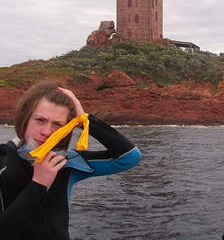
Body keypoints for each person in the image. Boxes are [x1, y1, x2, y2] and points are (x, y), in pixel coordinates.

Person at [0, 82, 142, 240]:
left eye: (58, 124)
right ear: (24, 119)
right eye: (40, 120)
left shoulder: (67, 162)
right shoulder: (3, 159)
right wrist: (39, 184)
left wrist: (84, 120)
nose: (47, 132)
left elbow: (129, 157)